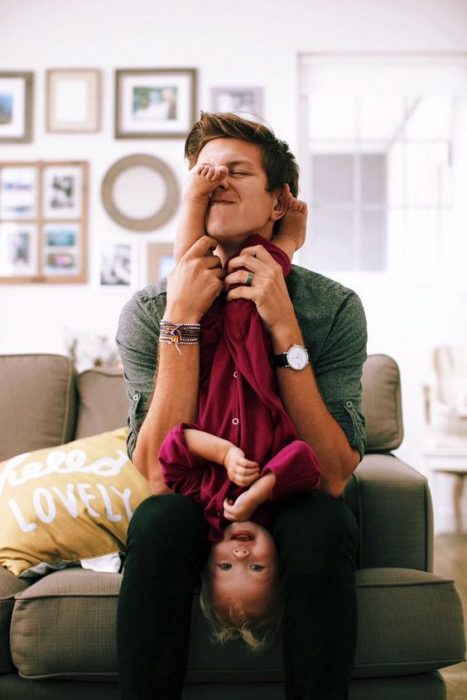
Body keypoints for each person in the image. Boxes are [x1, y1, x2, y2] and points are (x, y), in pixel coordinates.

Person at [116, 111, 367, 700]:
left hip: (292, 490)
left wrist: (285, 329)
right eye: (203, 174)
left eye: (236, 171)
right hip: (195, 495)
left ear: (279, 201)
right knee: (157, 522)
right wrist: (180, 320)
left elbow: (331, 473)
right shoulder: (149, 310)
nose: (216, 182)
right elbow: (157, 473)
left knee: (323, 522)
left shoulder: (331, 308)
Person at [157, 163, 321, 648]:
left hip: (209, 347)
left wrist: (223, 456)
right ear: (278, 557)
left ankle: (190, 199)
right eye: (257, 566)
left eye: (227, 566)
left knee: (193, 268)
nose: (241, 553)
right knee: (259, 274)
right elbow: (304, 461)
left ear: (208, 559)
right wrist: (258, 492)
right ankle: (289, 244)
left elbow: (175, 448)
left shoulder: (205, 501)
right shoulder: (276, 499)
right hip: (253, 353)